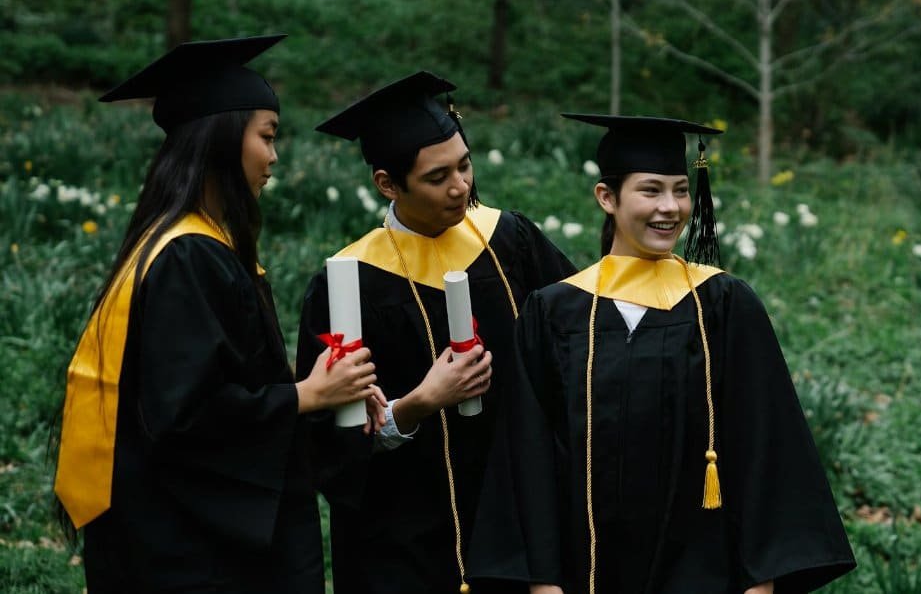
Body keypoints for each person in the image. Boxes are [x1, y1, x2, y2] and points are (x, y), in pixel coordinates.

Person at [468, 114, 856, 594]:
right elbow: (527, 453)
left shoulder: (724, 303)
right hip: (583, 570)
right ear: (607, 198)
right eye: (651, 191)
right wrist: (542, 580)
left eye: (679, 190)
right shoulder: (555, 312)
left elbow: (764, 444)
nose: (670, 208)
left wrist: (763, 580)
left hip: (702, 570)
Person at [54, 35, 385, 594]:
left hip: (174, 531)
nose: (274, 157)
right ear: (221, 140)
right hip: (186, 550)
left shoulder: (183, 244)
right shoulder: (188, 255)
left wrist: (324, 389)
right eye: (267, 136)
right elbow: (184, 414)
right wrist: (305, 397)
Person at [296, 71, 577, 594]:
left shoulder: (509, 241)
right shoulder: (347, 284)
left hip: (519, 527)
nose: (461, 186)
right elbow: (328, 449)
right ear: (387, 183)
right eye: (437, 176)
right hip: (403, 548)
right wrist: (418, 404)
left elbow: (579, 349)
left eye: (465, 165)